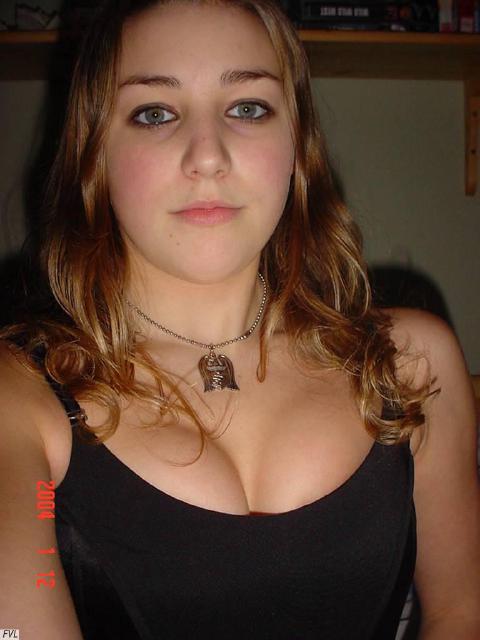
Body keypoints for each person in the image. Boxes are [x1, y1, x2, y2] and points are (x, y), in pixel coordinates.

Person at [0, 1, 478, 638]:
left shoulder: (410, 366)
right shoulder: (19, 398)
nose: (208, 156)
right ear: (95, 154)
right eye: (155, 113)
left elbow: (461, 613)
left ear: (296, 145)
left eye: (248, 108)